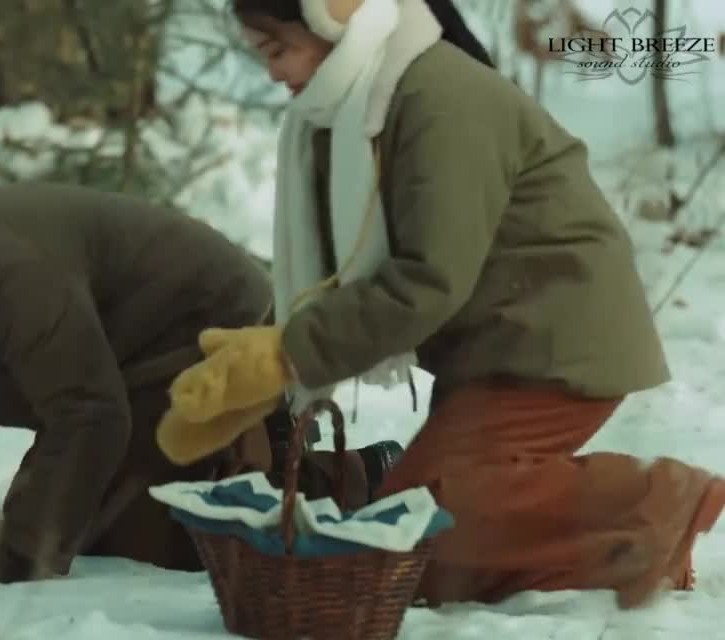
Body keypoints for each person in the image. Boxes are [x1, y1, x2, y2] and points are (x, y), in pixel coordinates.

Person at [156, 0, 725, 610]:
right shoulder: (358, 110)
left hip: (554, 337)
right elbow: (336, 272)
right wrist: (261, 371)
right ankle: (632, 550)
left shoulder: (440, 100)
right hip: (495, 347)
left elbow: (428, 279)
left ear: (333, 19)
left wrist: (286, 355)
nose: (272, 72)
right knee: (417, 548)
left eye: (278, 49)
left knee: (420, 533)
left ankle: (648, 505)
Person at [0, 182, 402, 589]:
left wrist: (23, 552)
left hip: (205, 326)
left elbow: (89, 412)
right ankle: (258, 452)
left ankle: (337, 474)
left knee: (130, 530)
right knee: (80, 500)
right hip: (124, 348)